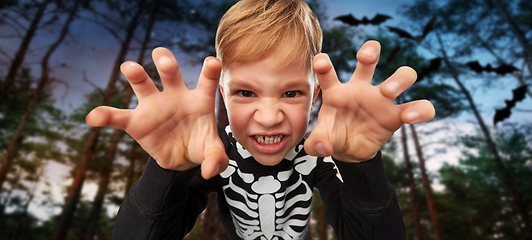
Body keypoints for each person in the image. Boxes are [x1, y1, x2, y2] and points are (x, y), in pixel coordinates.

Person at [86, 0, 435, 239]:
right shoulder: (214, 153)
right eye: (246, 93)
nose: (269, 118)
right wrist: (168, 171)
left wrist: (361, 166)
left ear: (315, 97)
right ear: (222, 94)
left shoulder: (320, 153)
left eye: (292, 93)